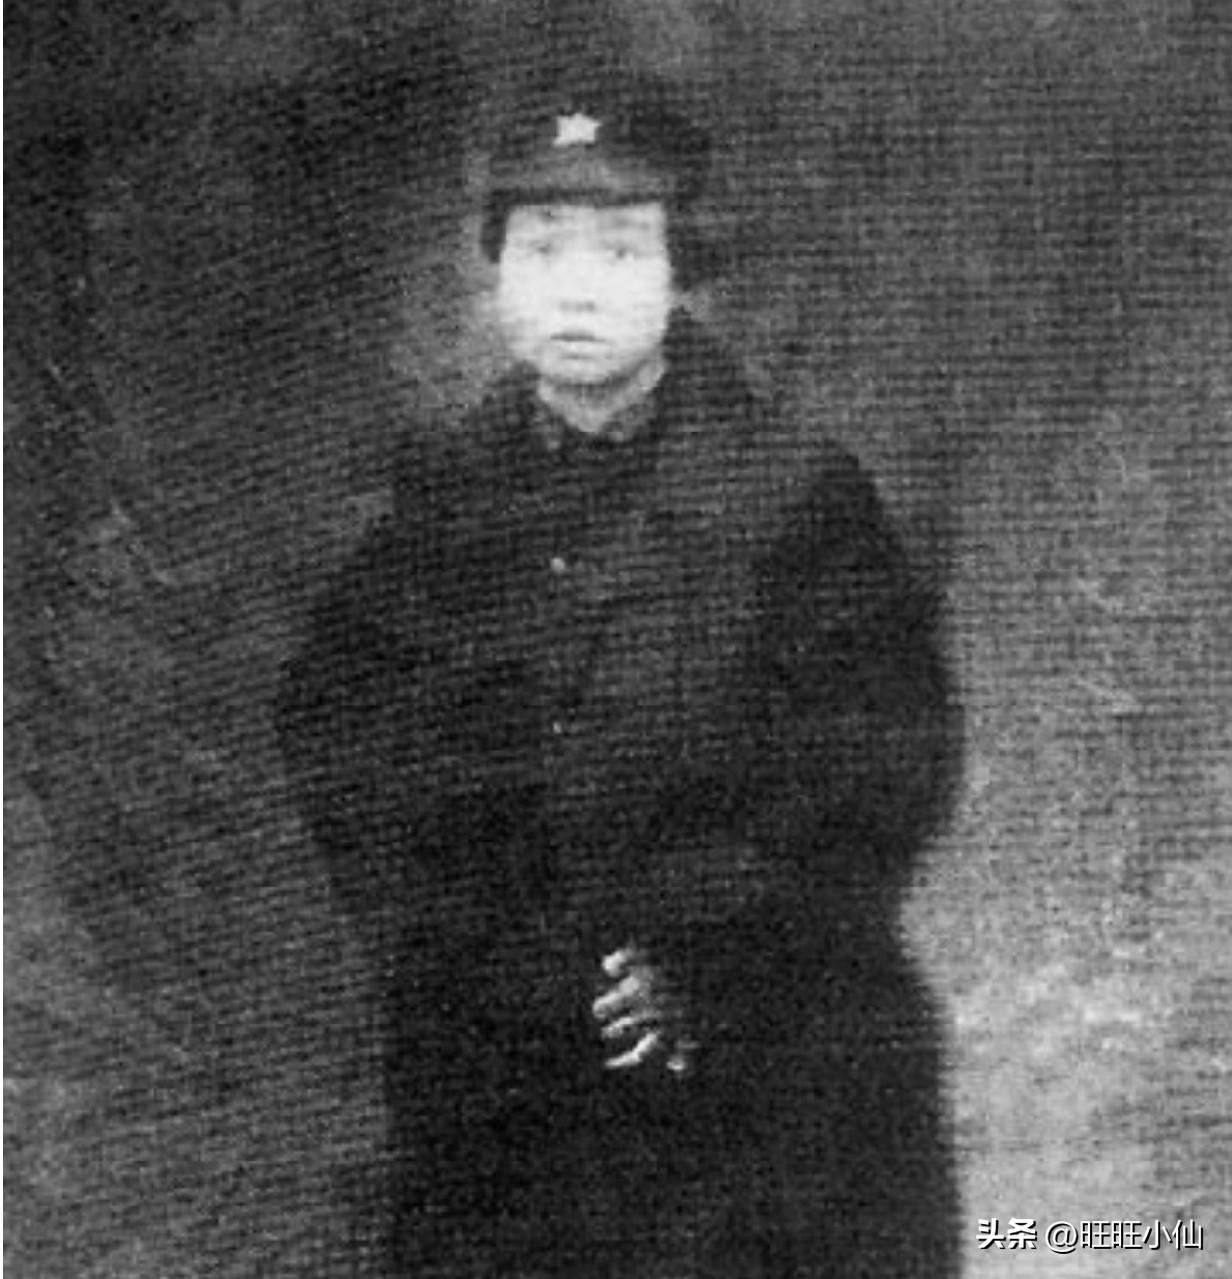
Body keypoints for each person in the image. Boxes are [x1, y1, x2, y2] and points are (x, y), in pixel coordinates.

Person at [277, 65, 962, 1279]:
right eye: (541, 248)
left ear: (677, 267)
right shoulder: (438, 505)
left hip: (762, 1089)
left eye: (620, 247)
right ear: (496, 274)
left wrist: (701, 966)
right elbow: (339, 739)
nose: (576, 286)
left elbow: (881, 769)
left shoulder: (794, 498)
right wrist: (484, 956)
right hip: (506, 1104)